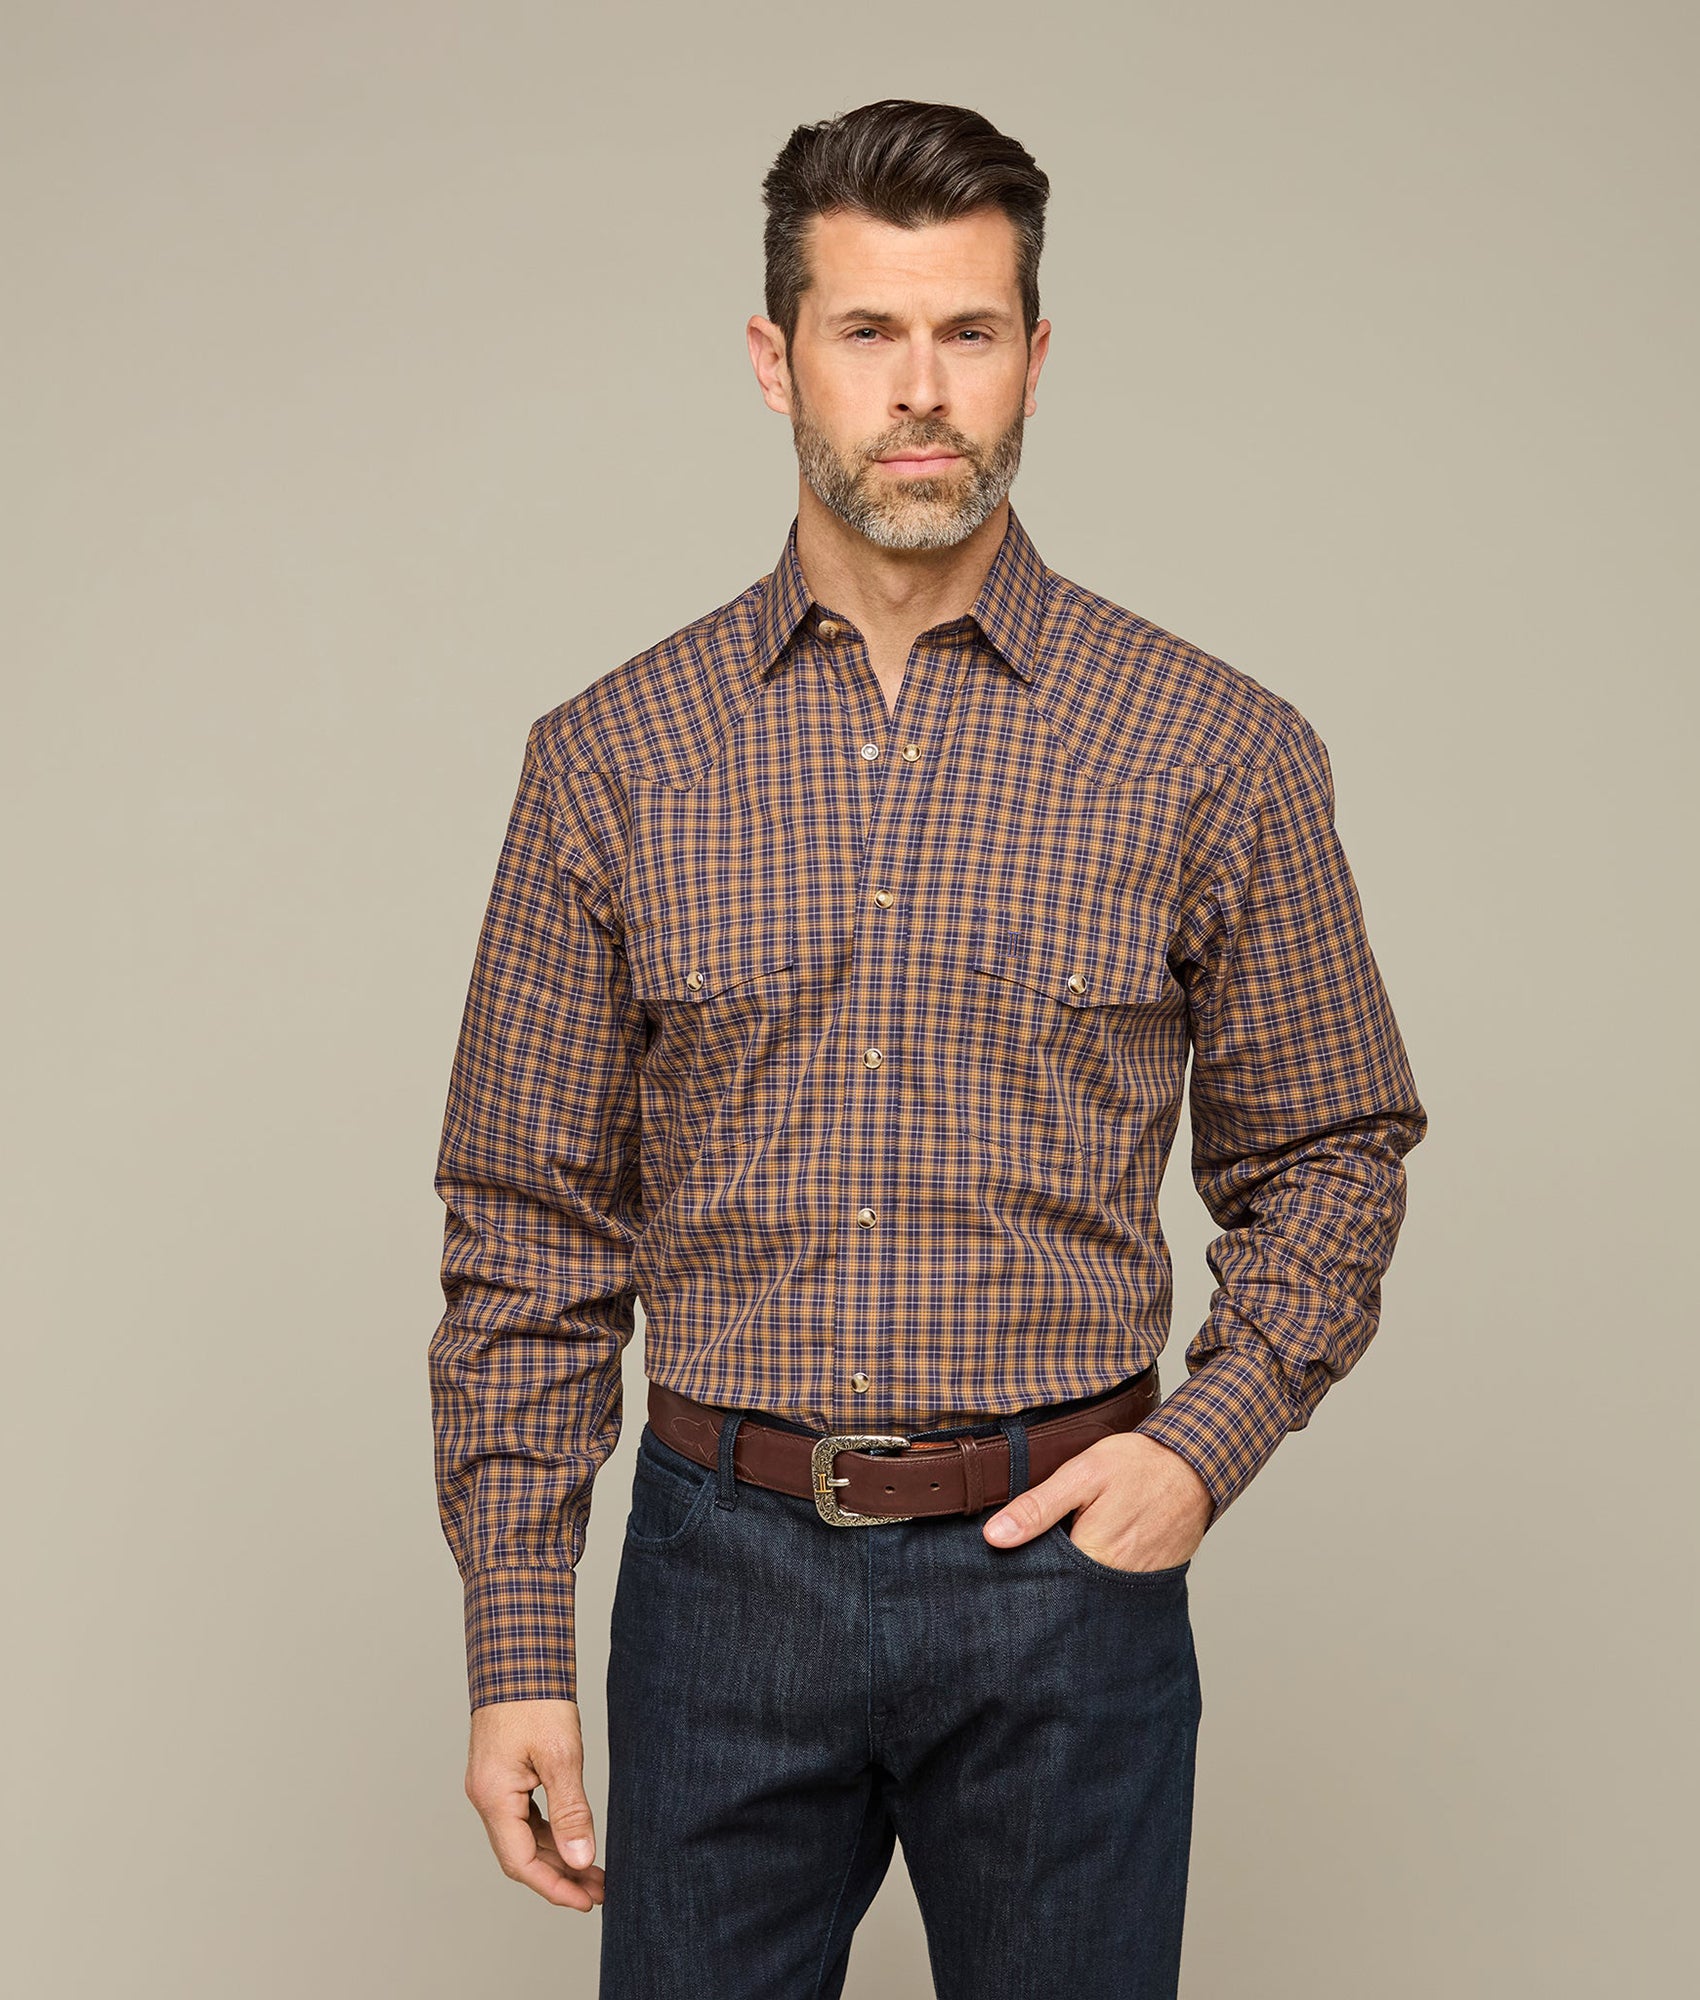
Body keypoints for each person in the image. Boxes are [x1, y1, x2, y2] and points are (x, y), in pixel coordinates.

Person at [427, 97, 1427, 2000]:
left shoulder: (1215, 747)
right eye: (867, 330)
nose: (919, 390)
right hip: (719, 1586)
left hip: (1065, 1586)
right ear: (774, 356)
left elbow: (1334, 1152)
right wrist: (518, 1645)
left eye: (968, 332)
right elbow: (525, 1229)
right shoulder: (611, 759)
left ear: (1035, 356)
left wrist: (1202, 1449)